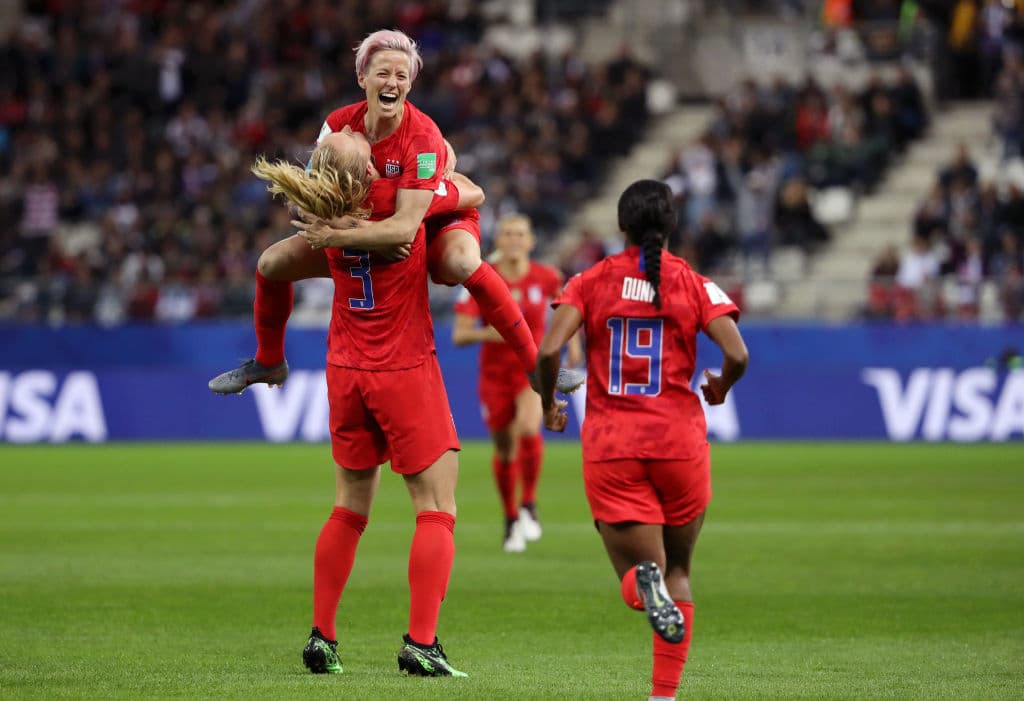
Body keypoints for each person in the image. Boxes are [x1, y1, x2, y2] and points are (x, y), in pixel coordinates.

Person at [209, 29, 582, 395]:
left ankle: (534, 364)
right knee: (272, 264)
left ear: (410, 85)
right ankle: (269, 361)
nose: (392, 82)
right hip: (371, 226)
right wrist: (356, 229)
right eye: (383, 73)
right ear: (362, 78)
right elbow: (312, 198)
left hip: (431, 223)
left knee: (463, 262)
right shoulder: (339, 126)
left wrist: (350, 233)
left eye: (401, 75)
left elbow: (452, 204)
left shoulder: (421, 139)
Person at [252, 131, 474, 678]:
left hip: (345, 372)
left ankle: (322, 637)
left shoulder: (327, 228)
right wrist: (443, 177)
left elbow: (272, 265)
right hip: (403, 369)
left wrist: (269, 353)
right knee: (436, 507)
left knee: (349, 508)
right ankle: (421, 644)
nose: (347, 127)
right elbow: (470, 193)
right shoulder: (397, 215)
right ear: (368, 171)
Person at [534, 180, 749, 701]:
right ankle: (663, 696)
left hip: (614, 445)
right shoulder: (693, 283)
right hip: (680, 444)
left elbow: (547, 353)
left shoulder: (589, 281)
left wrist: (549, 404)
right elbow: (738, 354)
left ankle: (642, 586)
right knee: (678, 570)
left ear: (620, 226)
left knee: (639, 574)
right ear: (671, 226)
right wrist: (719, 386)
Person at [452, 214, 583, 552]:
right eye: (507, 233)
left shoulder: (547, 276)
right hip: (495, 378)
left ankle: (529, 503)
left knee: (528, 427)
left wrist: (573, 346)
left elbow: (569, 308)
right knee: (505, 448)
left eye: (519, 234)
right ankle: (510, 517)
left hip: (532, 373)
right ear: (498, 240)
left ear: (531, 241)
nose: (513, 239)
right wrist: (488, 333)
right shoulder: (482, 279)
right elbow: (459, 333)